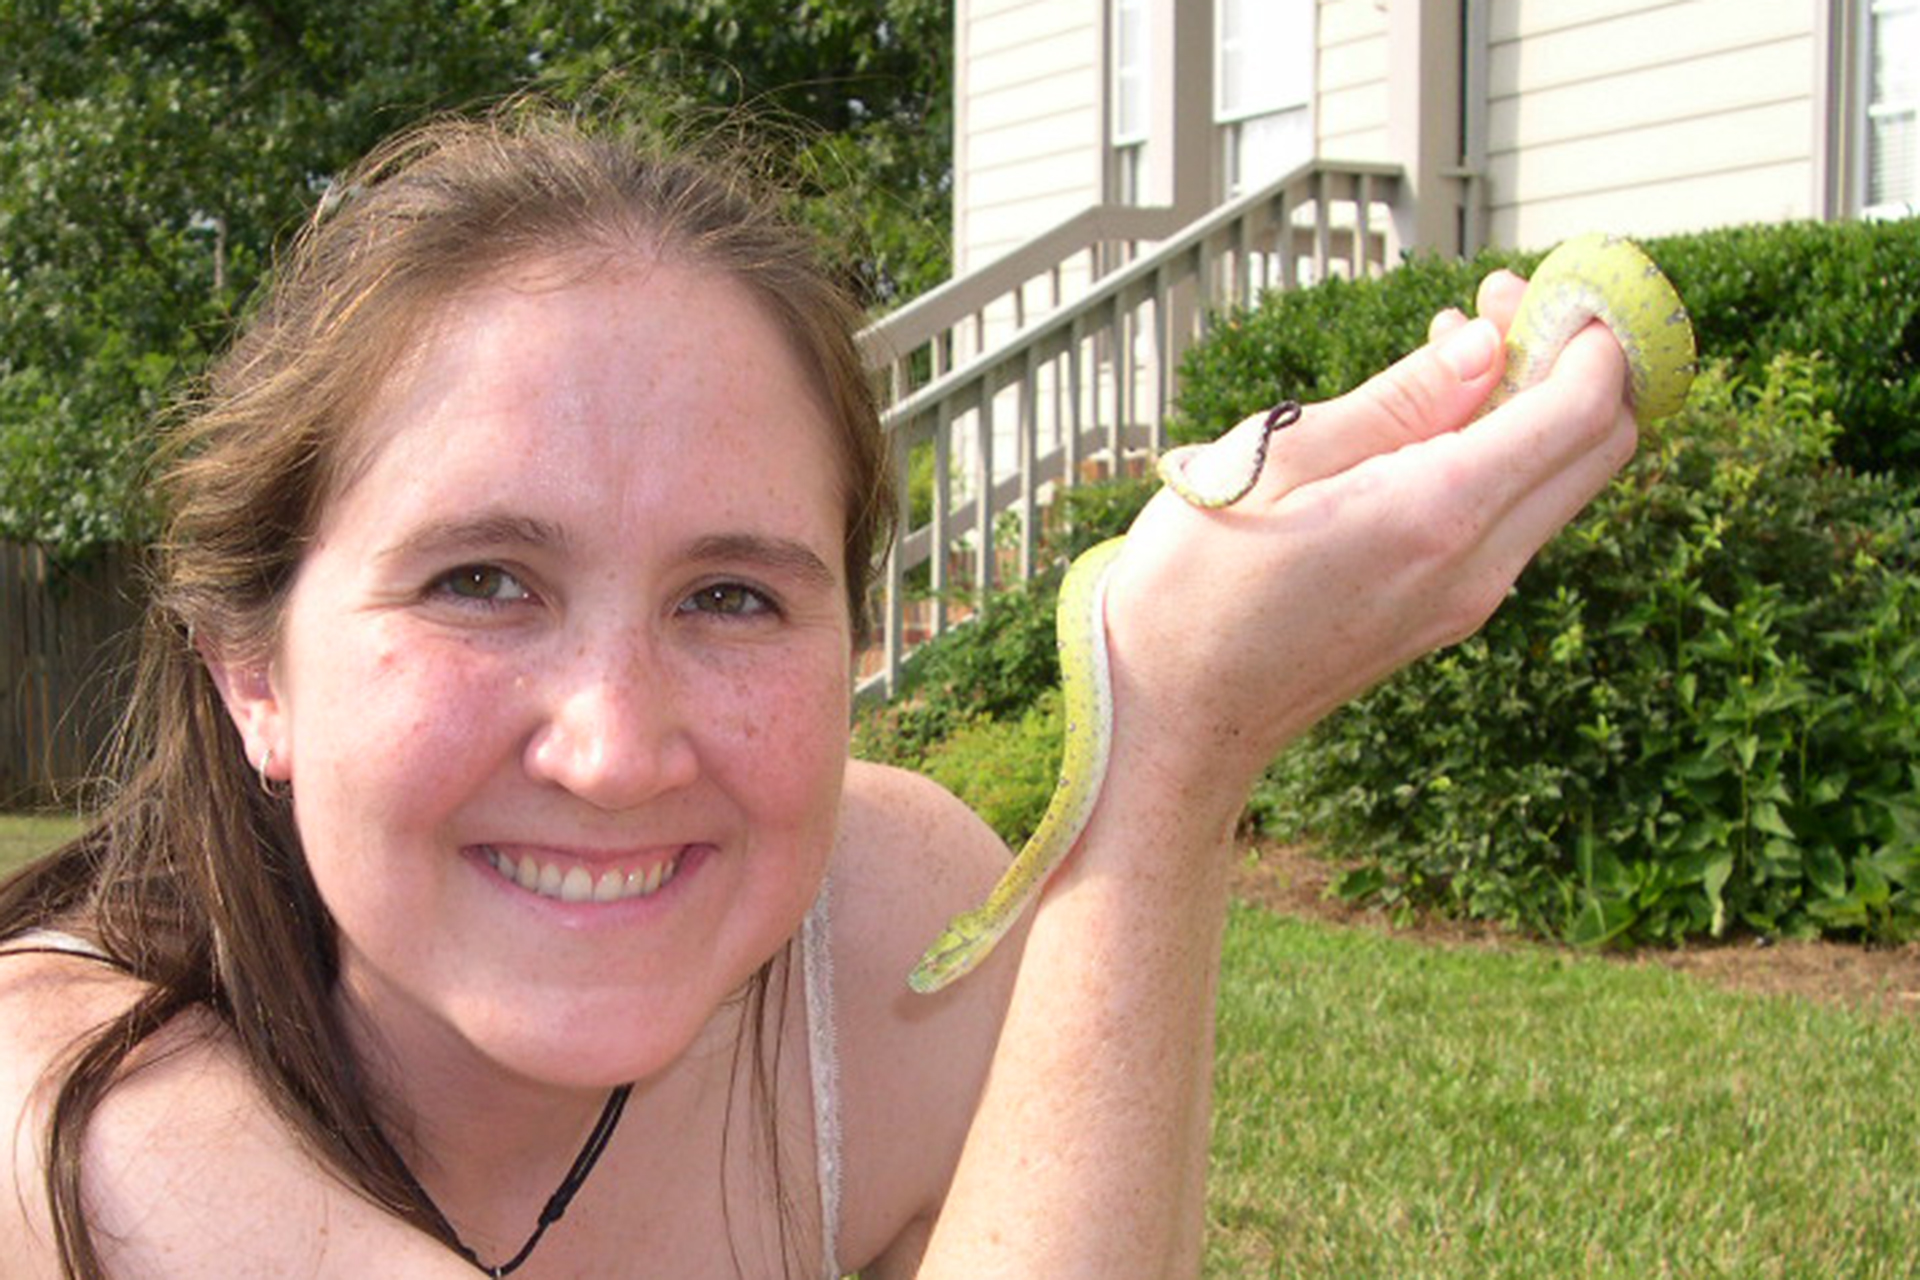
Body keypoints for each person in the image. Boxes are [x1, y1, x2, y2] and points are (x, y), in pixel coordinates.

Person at [0, 106, 1636, 1279]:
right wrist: (1171, 757)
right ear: (250, 670)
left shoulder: (887, 940)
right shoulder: (60, 1104)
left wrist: (1164, 722)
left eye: (730, 595)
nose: (619, 750)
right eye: (482, 583)